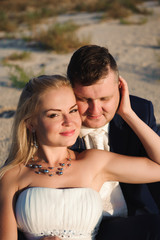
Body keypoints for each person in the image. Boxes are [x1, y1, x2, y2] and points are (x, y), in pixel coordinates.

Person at [1, 75, 160, 240]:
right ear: (30, 123)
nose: (69, 121)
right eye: (54, 115)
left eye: (73, 110)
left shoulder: (93, 162)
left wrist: (128, 114)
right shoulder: (13, 174)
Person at [67, 44, 160, 239]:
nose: (95, 109)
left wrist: (128, 115)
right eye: (84, 99)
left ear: (120, 87)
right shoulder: (56, 123)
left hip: (137, 221)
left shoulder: (140, 111)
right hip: (76, 227)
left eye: (104, 98)